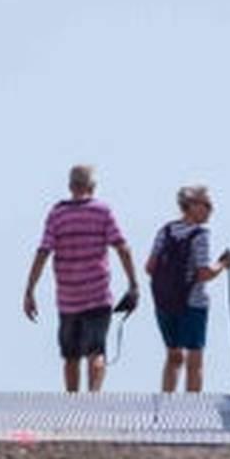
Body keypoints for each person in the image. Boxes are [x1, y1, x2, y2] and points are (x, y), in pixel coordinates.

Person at [23, 164, 139, 393]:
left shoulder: (57, 214)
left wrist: (30, 290)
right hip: (98, 294)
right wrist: (133, 283)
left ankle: (72, 404)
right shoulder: (102, 212)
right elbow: (122, 247)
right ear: (92, 187)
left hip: (68, 297)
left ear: (70, 186)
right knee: (96, 352)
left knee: (71, 356)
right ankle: (93, 400)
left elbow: (43, 251)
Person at [147, 184, 230, 393]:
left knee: (173, 356)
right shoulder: (201, 235)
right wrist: (223, 264)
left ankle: (166, 405)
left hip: (165, 303)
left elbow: (149, 267)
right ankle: (191, 409)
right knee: (194, 359)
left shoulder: (165, 231)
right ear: (192, 205)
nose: (210, 209)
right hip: (193, 303)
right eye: (207, 204)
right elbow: (204, 273)